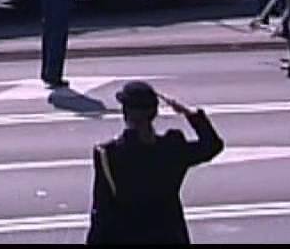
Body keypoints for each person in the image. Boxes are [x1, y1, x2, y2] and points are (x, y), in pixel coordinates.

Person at [86, 81, 224, 245]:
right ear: (154, 113)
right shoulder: (172, 148)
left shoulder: (109, 155)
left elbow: (102, 213)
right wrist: (189, 114)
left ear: (125, 113)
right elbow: (212, 145)